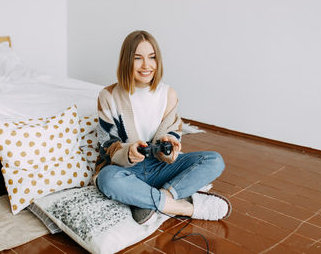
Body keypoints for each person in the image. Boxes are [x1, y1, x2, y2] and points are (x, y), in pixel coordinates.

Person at [94, 30, 231, 224]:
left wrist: (170, 145)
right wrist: (129, 152)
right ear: (126, 61)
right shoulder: (108, 96)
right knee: (107, 179)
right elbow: (107, 145)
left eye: (152, 57)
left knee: (215, 160)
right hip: (126, 170)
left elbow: (173, 133)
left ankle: (148, 198)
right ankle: (183, 207)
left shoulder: (168, 94)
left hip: (160, 166)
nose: (146, 65)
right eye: (138, 58)